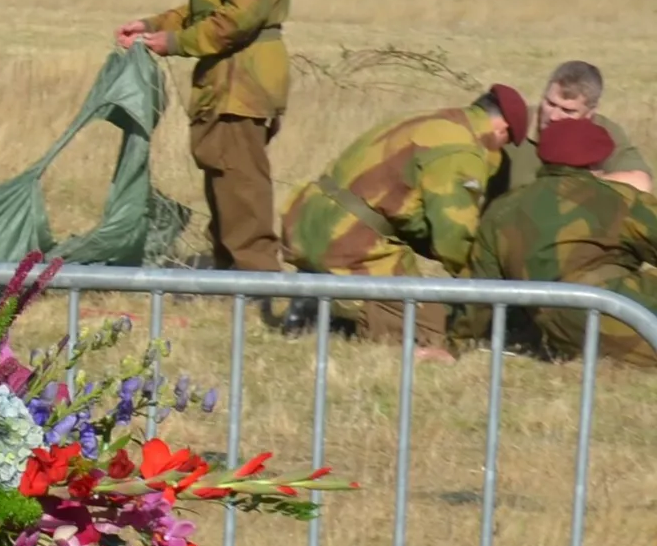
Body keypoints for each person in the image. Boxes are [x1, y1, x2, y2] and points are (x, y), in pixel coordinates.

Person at [117, 0, 293, 301]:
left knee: (241, 182)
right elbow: (205, 9)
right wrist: (152, 24)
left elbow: (238, 18)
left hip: (242, 78)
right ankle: (232, 273)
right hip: (234, 76)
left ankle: (258, 283)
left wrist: (173, 43)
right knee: (224, 175)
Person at [278, 85, 526, 343]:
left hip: (305, 222)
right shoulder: (461, 150)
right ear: (502, 130)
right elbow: (453, 238)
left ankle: (319, 287)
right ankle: (332, 308)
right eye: (503, 144)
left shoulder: (428, 119)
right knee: (433, 330)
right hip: (346, 242)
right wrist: (483, 288)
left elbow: (407, 210)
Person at [475, 123, 657, 365]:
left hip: (561, 335)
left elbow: (480, 293)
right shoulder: (617, 198)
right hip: (623, 318)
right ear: (595, 163)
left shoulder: (502, 208)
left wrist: (456, 342)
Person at [518, 62, 642, 192]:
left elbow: (640, 182)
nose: (554, 116)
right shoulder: (516, 122)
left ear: (589, 112)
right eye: (550, 104)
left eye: (567, 111)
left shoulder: (603, 132)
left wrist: (578, 187)